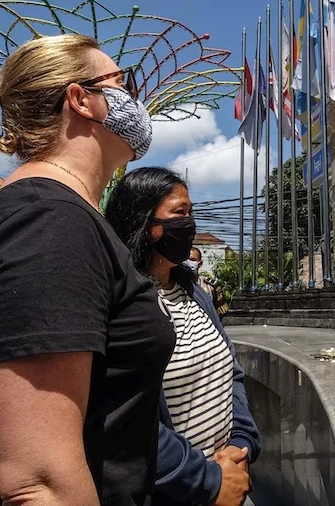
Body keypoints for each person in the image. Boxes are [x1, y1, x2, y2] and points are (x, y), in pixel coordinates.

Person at [0, 34, 176, 505]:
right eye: (120, 84)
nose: (134, 101)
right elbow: (39, 483)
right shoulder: (48, 223)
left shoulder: (69, 217)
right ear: (81, 100)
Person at [104, 167, 260, 506]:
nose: (189, 224)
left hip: (231, 479)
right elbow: (128, 421)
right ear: (146, 226)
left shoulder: (194, 292)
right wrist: (205, 479)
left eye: (191, 213)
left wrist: (242, 443)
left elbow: (230, 373)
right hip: (180, 493)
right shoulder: (125, 307)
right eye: (179, 213)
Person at [184, 247, 230, 318]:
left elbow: (220, 311)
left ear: (200, 263)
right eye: (185, 259)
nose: (188, 263)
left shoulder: (211, 286)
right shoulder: (174, 284)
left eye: (192, 260)